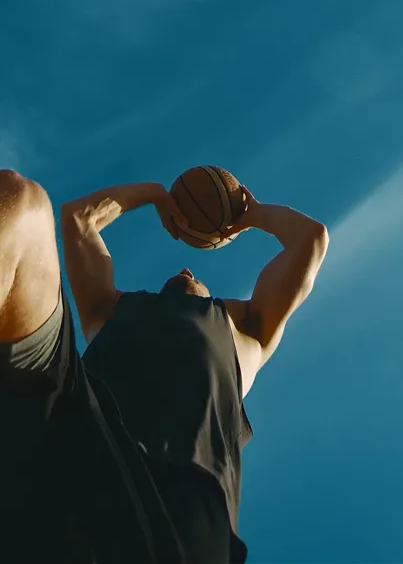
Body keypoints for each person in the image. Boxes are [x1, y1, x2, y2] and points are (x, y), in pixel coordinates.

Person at [0, 170, 329, 563]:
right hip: (76, 433)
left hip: (178, 505)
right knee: (19, 201)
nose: (187, 270)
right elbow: (78, 218)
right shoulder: (111, 308)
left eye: (195, 275)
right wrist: (155, 194)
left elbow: (310, 239)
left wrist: (251, 213)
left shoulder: (249, 336)